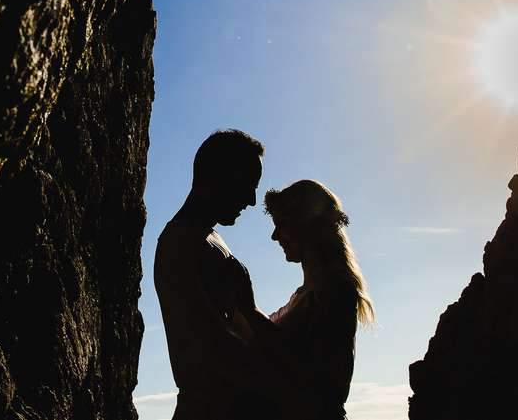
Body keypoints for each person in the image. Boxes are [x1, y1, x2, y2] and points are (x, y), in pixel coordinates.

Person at [154, 129, 294, 419]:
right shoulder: (179, 242)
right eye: (248, 185)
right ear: (221, 177)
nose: (253, 200)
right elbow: (211, 345)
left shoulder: (210, 238)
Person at [236, 179, 376, 420]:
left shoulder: (335, 291)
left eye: (281, 225)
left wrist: (248, 310)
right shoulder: (309, 294)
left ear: (306, 226)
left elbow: (312, 376)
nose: (274, 236)